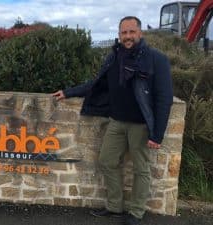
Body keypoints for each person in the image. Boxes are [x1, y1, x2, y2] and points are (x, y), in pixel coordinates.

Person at [52, 16, 173, 225]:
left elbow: (164, 99)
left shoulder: (156, 59)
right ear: (119, 35)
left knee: (141, 169)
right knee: (107, 162)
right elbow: (97, 83)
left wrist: (157, 134)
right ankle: (115, 207)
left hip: (141, 125)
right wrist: (69, 92)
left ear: (140, 33)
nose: (127, 37)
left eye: (131, 32)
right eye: (124, 33)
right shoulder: (114, 57)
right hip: (116, 121)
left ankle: (136, 212)